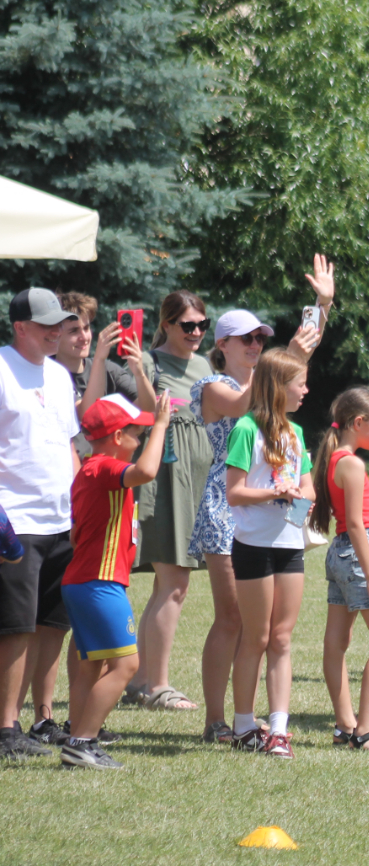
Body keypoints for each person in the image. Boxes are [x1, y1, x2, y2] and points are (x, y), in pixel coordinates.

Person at [190, 307, 320, 743]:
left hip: (279, 529)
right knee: (234, 620)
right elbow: (251, 405)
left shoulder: (291, 424)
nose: (255, 345)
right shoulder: (216, 387)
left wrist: (321, 307)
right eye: (246, 338)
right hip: (228, 509)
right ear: (222, 344)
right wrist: (287, 362)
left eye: (260, 339)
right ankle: (221, 720)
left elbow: (284, 389)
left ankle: (265, 723)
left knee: (268, 632)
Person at [59, 395, 172, 769]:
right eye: (136, 434)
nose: (139, 441)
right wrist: (161, 425)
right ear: (118, 437)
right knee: (126, 665)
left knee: (91, 667)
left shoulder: (88, 470)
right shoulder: (105, 467)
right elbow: (147, 472)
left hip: (83, 581)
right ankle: (83, 741)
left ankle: (77, 739)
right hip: (99, 582)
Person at [127, 290, 217, 711]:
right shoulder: (149, 362)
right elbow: (146, 414)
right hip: (165, 478)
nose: (196, 332)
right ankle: (158, 686)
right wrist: (138, 371)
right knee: (174, 582)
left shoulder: (204, 365)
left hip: (196, 480)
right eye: (187, 325)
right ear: (166, 325)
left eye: (202, 324)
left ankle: (142, 680)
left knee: (169, 584)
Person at [0, 289, 80, 760]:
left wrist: (81, 506)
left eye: (60, 323)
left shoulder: (59, 374)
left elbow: (68, 445)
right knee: (15, 627)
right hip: (15, 521)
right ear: (21, 327)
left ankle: (41, 719)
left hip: (61, 519)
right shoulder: (2, 369)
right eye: (47, 324)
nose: (57, 331)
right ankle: (5, 727)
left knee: (53, 623)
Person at [225, 349, 314, 758]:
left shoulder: (295, 433)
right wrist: (273, 492)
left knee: (281, 637)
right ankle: (244, 726)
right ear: (278, 387)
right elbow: (235, 492)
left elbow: (309, 488)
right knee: (256, 637)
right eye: (300, 384)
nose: (305, 391)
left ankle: (278, 730)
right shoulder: (246, 429)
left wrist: (299, 496)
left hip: (289, 545)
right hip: (253, 545)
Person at [310, 386, 369, 754]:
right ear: (358, 422)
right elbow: (356, 523)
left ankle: (345, 726)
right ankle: (365, 730)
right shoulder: (349, 463)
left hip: (342, 553)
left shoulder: (342, 459)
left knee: (337, 642)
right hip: (360, 554)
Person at [52, 292, 149, 458]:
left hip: (102, 468)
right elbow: (87, 417)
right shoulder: (48, 375)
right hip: (67, 466)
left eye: (86, 328)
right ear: (55, 335)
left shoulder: (109, 370)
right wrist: (99, 359)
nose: (84, 337)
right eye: (74, 331)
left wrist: (139, 374)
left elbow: (146, 409)